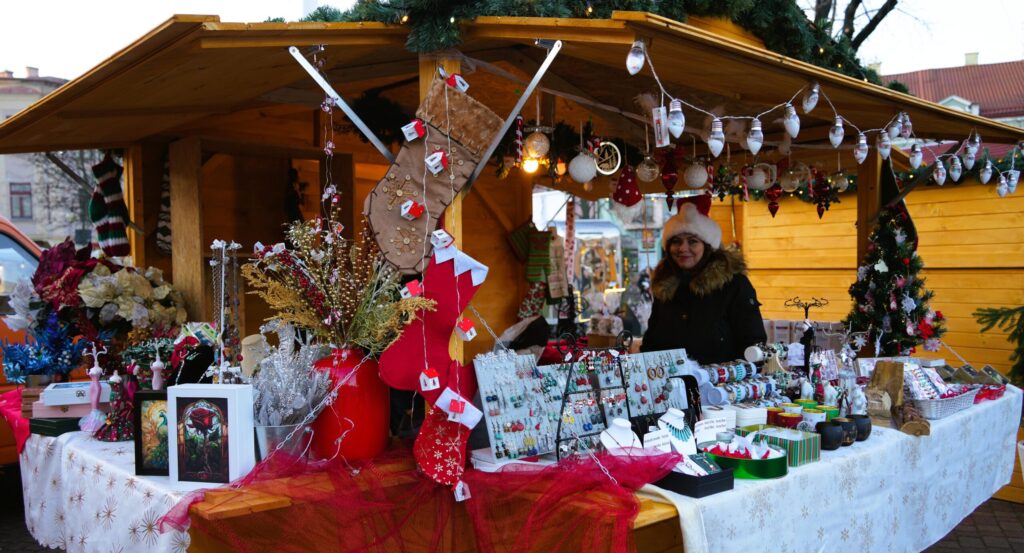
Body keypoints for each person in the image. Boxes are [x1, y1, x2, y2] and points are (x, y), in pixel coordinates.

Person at [641, 200, 766, 363]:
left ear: (707, 247)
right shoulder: (664, 286)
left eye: (692, 241)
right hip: (671, 379)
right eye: (676, 241)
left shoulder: (734, 285)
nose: (682, 248)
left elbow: (754, 345)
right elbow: (651, 343)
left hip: (722, 378)